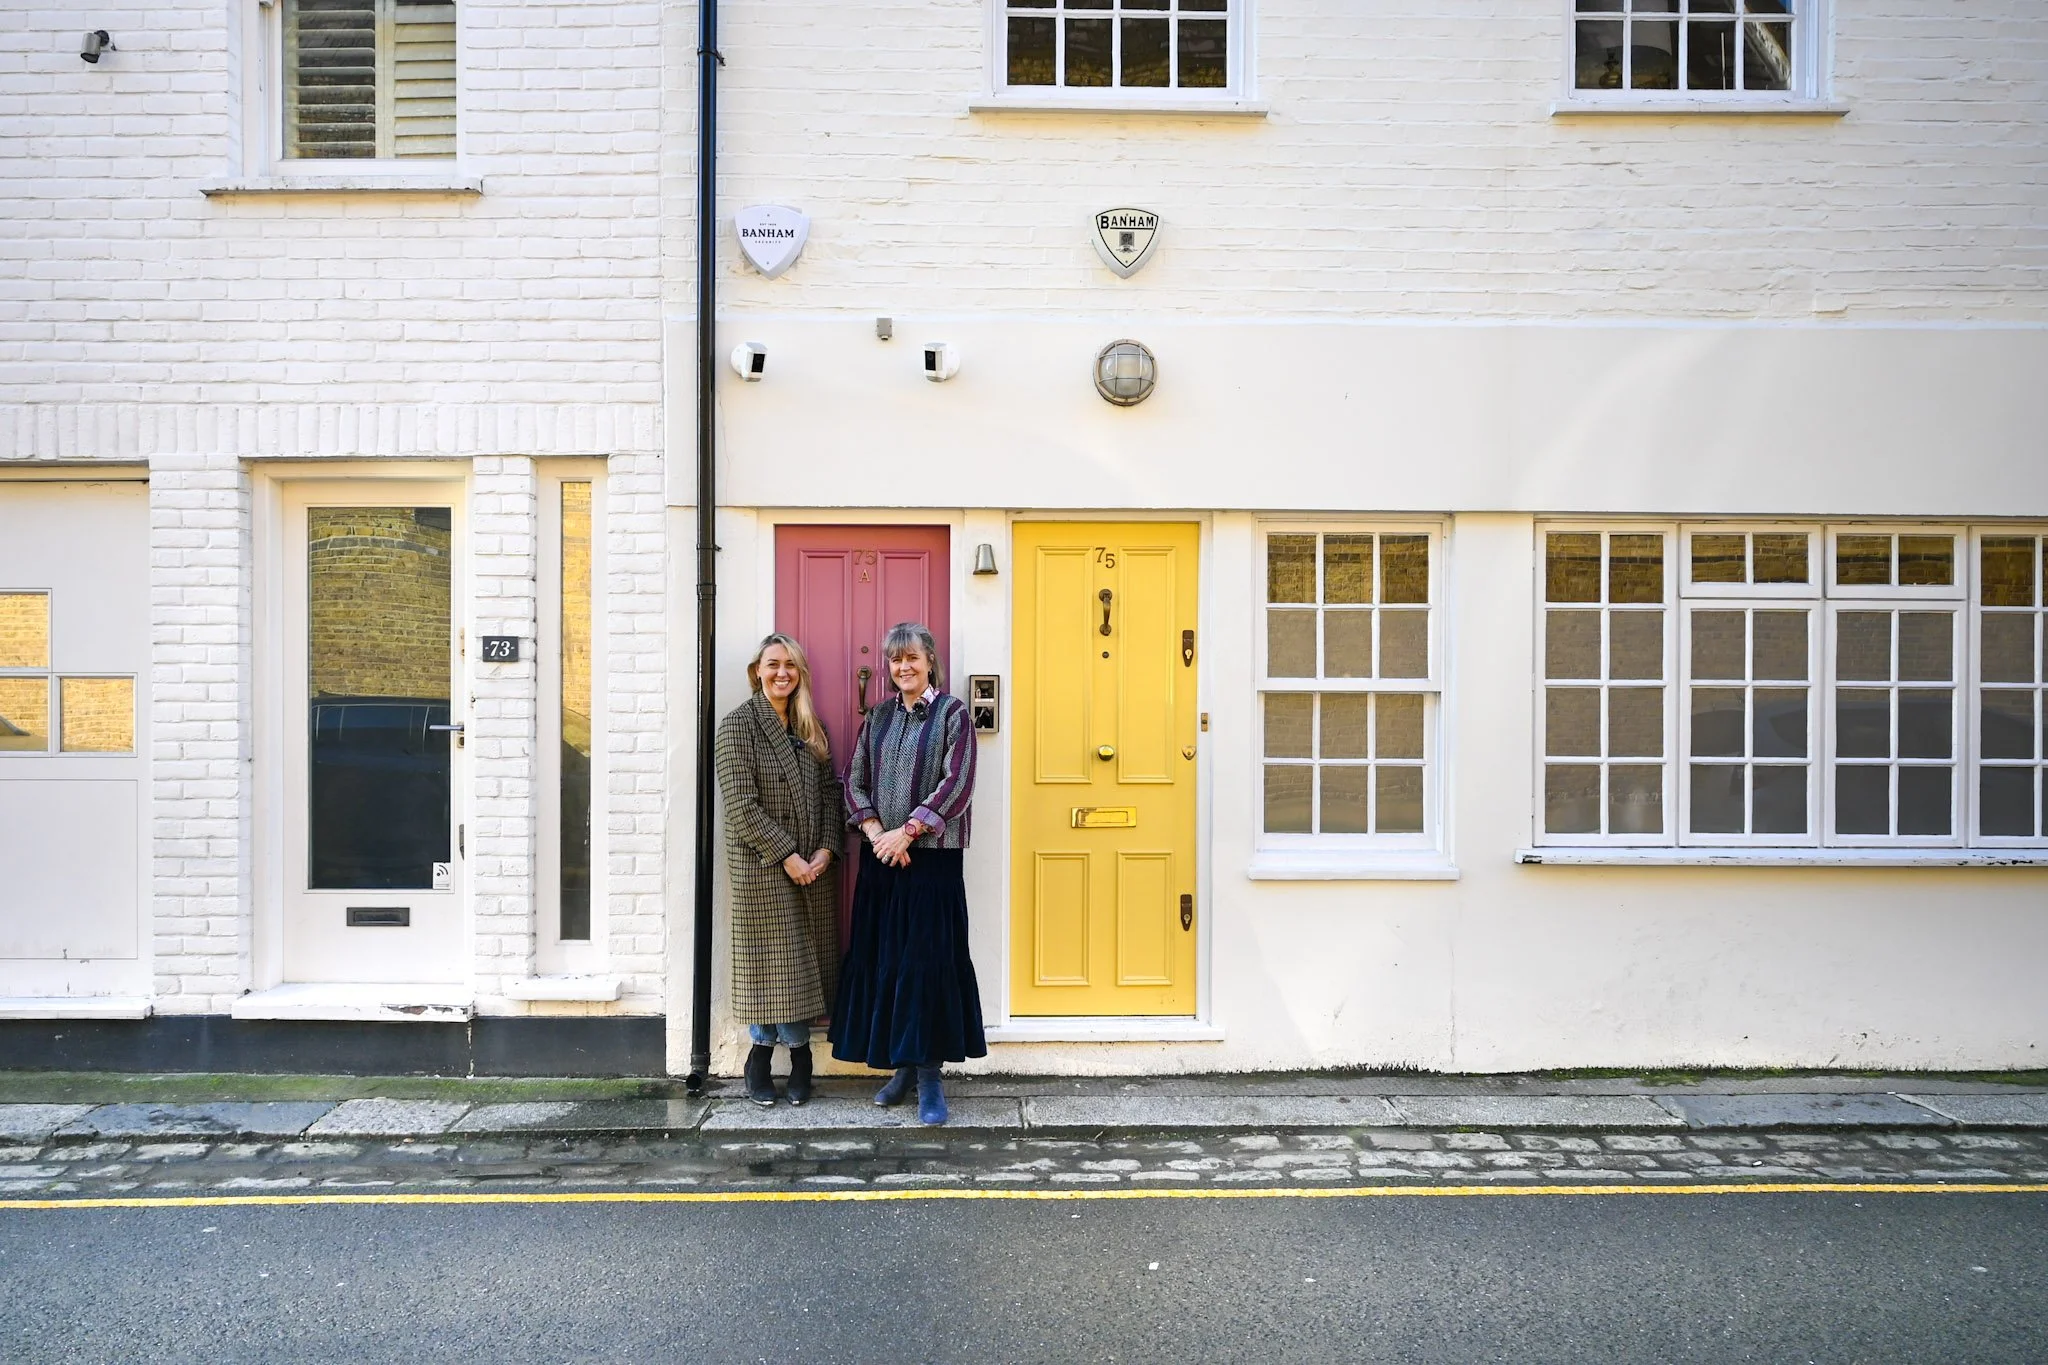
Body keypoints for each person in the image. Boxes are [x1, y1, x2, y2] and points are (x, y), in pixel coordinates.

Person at [830, 621, 987, 1125]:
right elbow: (853, 781)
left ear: (929, 662)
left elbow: (957, 784)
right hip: (882, 858)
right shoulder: (876, 718)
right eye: (895, 660)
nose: (903, 668)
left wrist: (909, 833)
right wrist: (878, 833)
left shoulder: (953, 715)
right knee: (887, 961)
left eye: (912, 658)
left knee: (925, 964)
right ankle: (901, 1065)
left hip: (932, 861)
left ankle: (930, 1077)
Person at [714, 633, 841, 1107]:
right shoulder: (737, 727)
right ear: (757, 671)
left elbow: (831, 794)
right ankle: (770, 1057)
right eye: (773, 664)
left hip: (814, 868)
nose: (782, 672)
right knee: (773, 968)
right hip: (763, 868)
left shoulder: (812, 727)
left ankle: (785, 1057)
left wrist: (826, 850)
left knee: (797, 969)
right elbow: (741, 806)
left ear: (800, 673)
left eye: (790, 665)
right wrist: (788, 856)